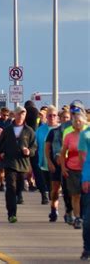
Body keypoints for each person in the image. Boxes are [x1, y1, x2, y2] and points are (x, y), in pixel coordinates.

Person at [0, 106, 37, 223]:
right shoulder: (8, 130)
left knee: (19, 186)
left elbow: (34, 146)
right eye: (19, 114)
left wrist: (29, 151)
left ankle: (19, 195)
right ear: (15, 115)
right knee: (11, 188)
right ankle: (12, 213)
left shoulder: (29, 131)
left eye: (23, 114)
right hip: (10, 162)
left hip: (23, 164)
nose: (21, 116)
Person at [60, 111, 87, 229]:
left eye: (80, 121)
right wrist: (63, 167)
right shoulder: (69, 136)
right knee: (75, 195)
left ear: (84, 122)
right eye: (76, 121)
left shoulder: (87, 135)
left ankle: (85, 216)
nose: (78, 123)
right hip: (72, 169)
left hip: (86, 169)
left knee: (85, 196)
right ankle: (78, 218)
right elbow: (62, 153)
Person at [45, 109, 71, 222]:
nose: (65, 119)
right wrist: (49, 162)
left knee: (67, 190)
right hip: (56, 164)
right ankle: (53, 209)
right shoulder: (53, 132)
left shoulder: (73, 133)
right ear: (60, 118)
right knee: (55, 189)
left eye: (67, 117)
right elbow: (47, 148)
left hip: (69, 164)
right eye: (63, 117)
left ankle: (68, 212)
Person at [78, 122, 90, 260]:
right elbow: (85, 160)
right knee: (87, 220)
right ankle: (87, 248)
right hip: (89, 178)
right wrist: (86, 178)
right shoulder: (85, 134)